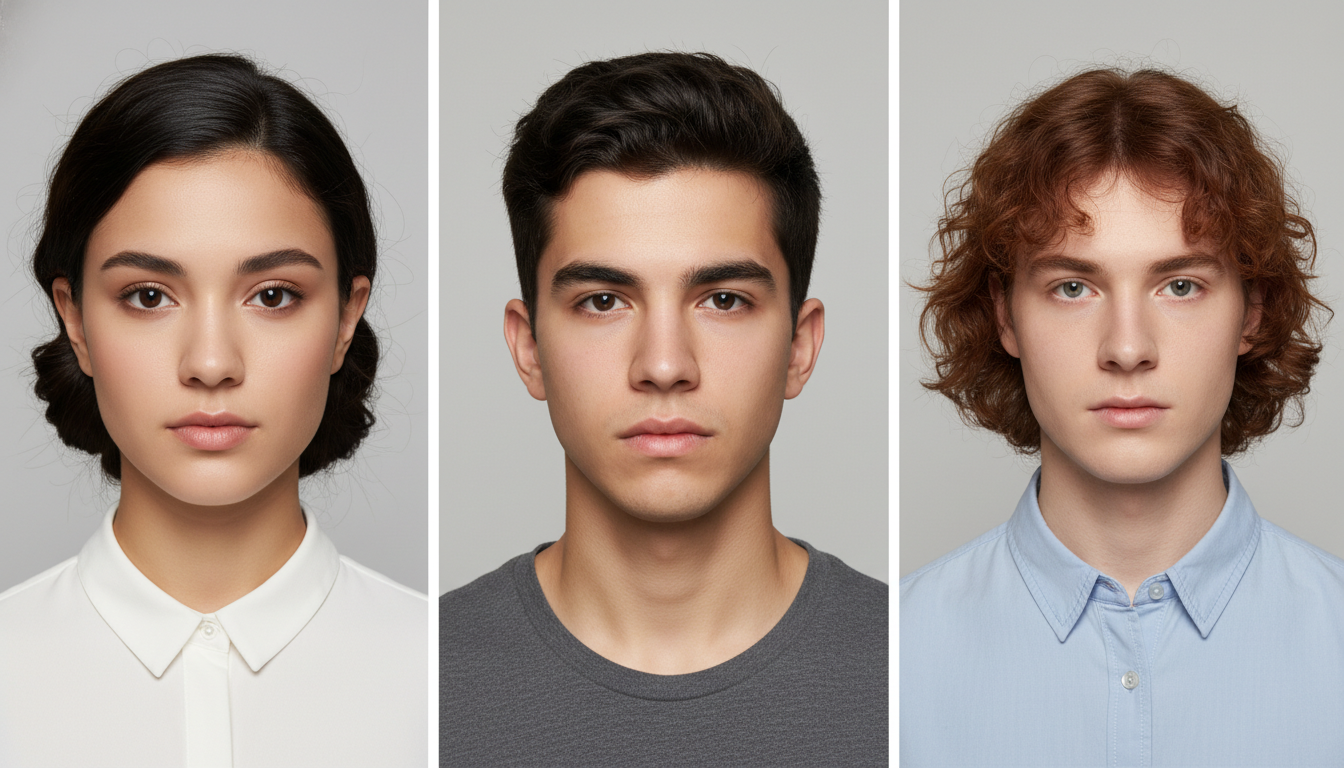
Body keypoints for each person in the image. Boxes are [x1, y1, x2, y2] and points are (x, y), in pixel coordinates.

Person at [440, 51, 888, 766]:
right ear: (529, 350)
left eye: (723, 300)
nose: (664, 366)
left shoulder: (917, 677)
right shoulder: (410, 687)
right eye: (603, 301)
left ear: (800, 348)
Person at [901, 67, 1340, 766]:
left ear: (1251, 312)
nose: (1128, 348)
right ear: (1004, 314)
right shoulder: (890, 661)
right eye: (1073, 286)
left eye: (1181, 285)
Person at [0, 55, 426, 767]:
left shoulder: (439, 675)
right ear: (74, 319)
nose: (210, 363)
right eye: (147, 296)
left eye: (272, 295)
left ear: (346, 318)